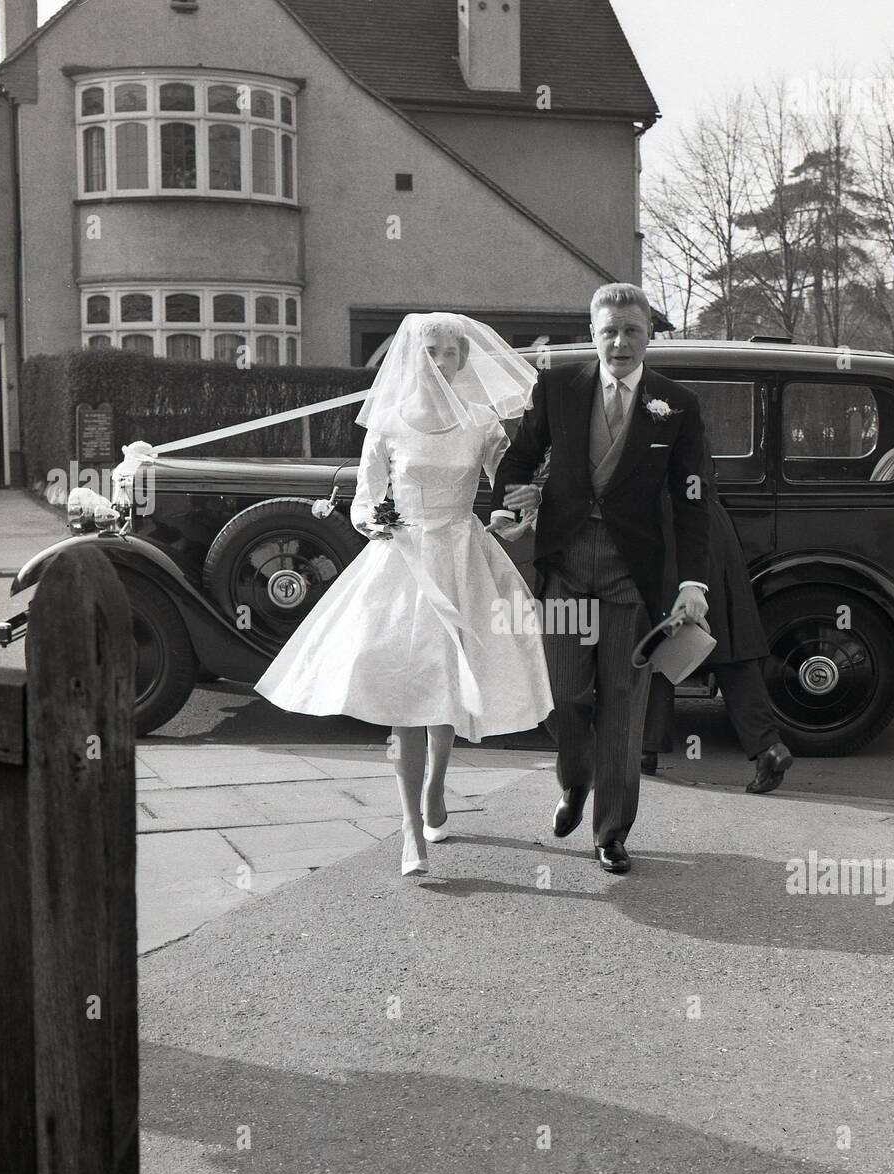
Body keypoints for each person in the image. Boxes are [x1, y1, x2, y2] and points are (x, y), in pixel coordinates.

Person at [255, 313, 551, 877]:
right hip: (405, 565)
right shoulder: (388, 423)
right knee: (409, 697)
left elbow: (507, 482)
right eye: (431, 352)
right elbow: (365, 500)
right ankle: (411, 829)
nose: (440, 362)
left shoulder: (481, 421)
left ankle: (437, 787)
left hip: (464, 560)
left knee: (449, 691)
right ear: (413, 356)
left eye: (450, 353)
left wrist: (521, 506)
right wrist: (379, 521)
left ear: (463, 360)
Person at [489, 283, 711, 874]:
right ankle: (575, 780)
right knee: (565, 696)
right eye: (609, 330)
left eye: (632, 331)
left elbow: (692, 501)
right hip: (564, 566)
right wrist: (509, 505)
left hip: (630, 577)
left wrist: (693, 583)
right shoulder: (558, 387)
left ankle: (611, 830)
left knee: (622, 701)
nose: (620, 341)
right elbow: (517, 459)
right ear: (592, 333)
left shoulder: (677, 405)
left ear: (648, 337)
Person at [640, 464, 794, 793]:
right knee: (730, 648)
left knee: (660, 635)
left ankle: (644, 748)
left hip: (672, 525)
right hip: (711, 522)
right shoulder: (685, 419)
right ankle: (769, 747)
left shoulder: (643, 419)